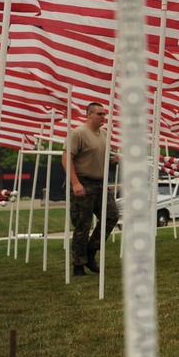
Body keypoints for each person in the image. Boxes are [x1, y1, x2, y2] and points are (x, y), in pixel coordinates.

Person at [63, 102, 119, 277]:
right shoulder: (78, 133)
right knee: (83, 224)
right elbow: (66, 159)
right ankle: (78, 266)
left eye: (104, 114)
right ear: (89, 115)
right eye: (99, 114)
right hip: (83, 183)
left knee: (112, 216)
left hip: (100, 183)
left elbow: (97, 157)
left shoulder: (103, 134)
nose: (103, 117)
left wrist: (112, 161)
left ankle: (90, 252)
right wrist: (75, 183)